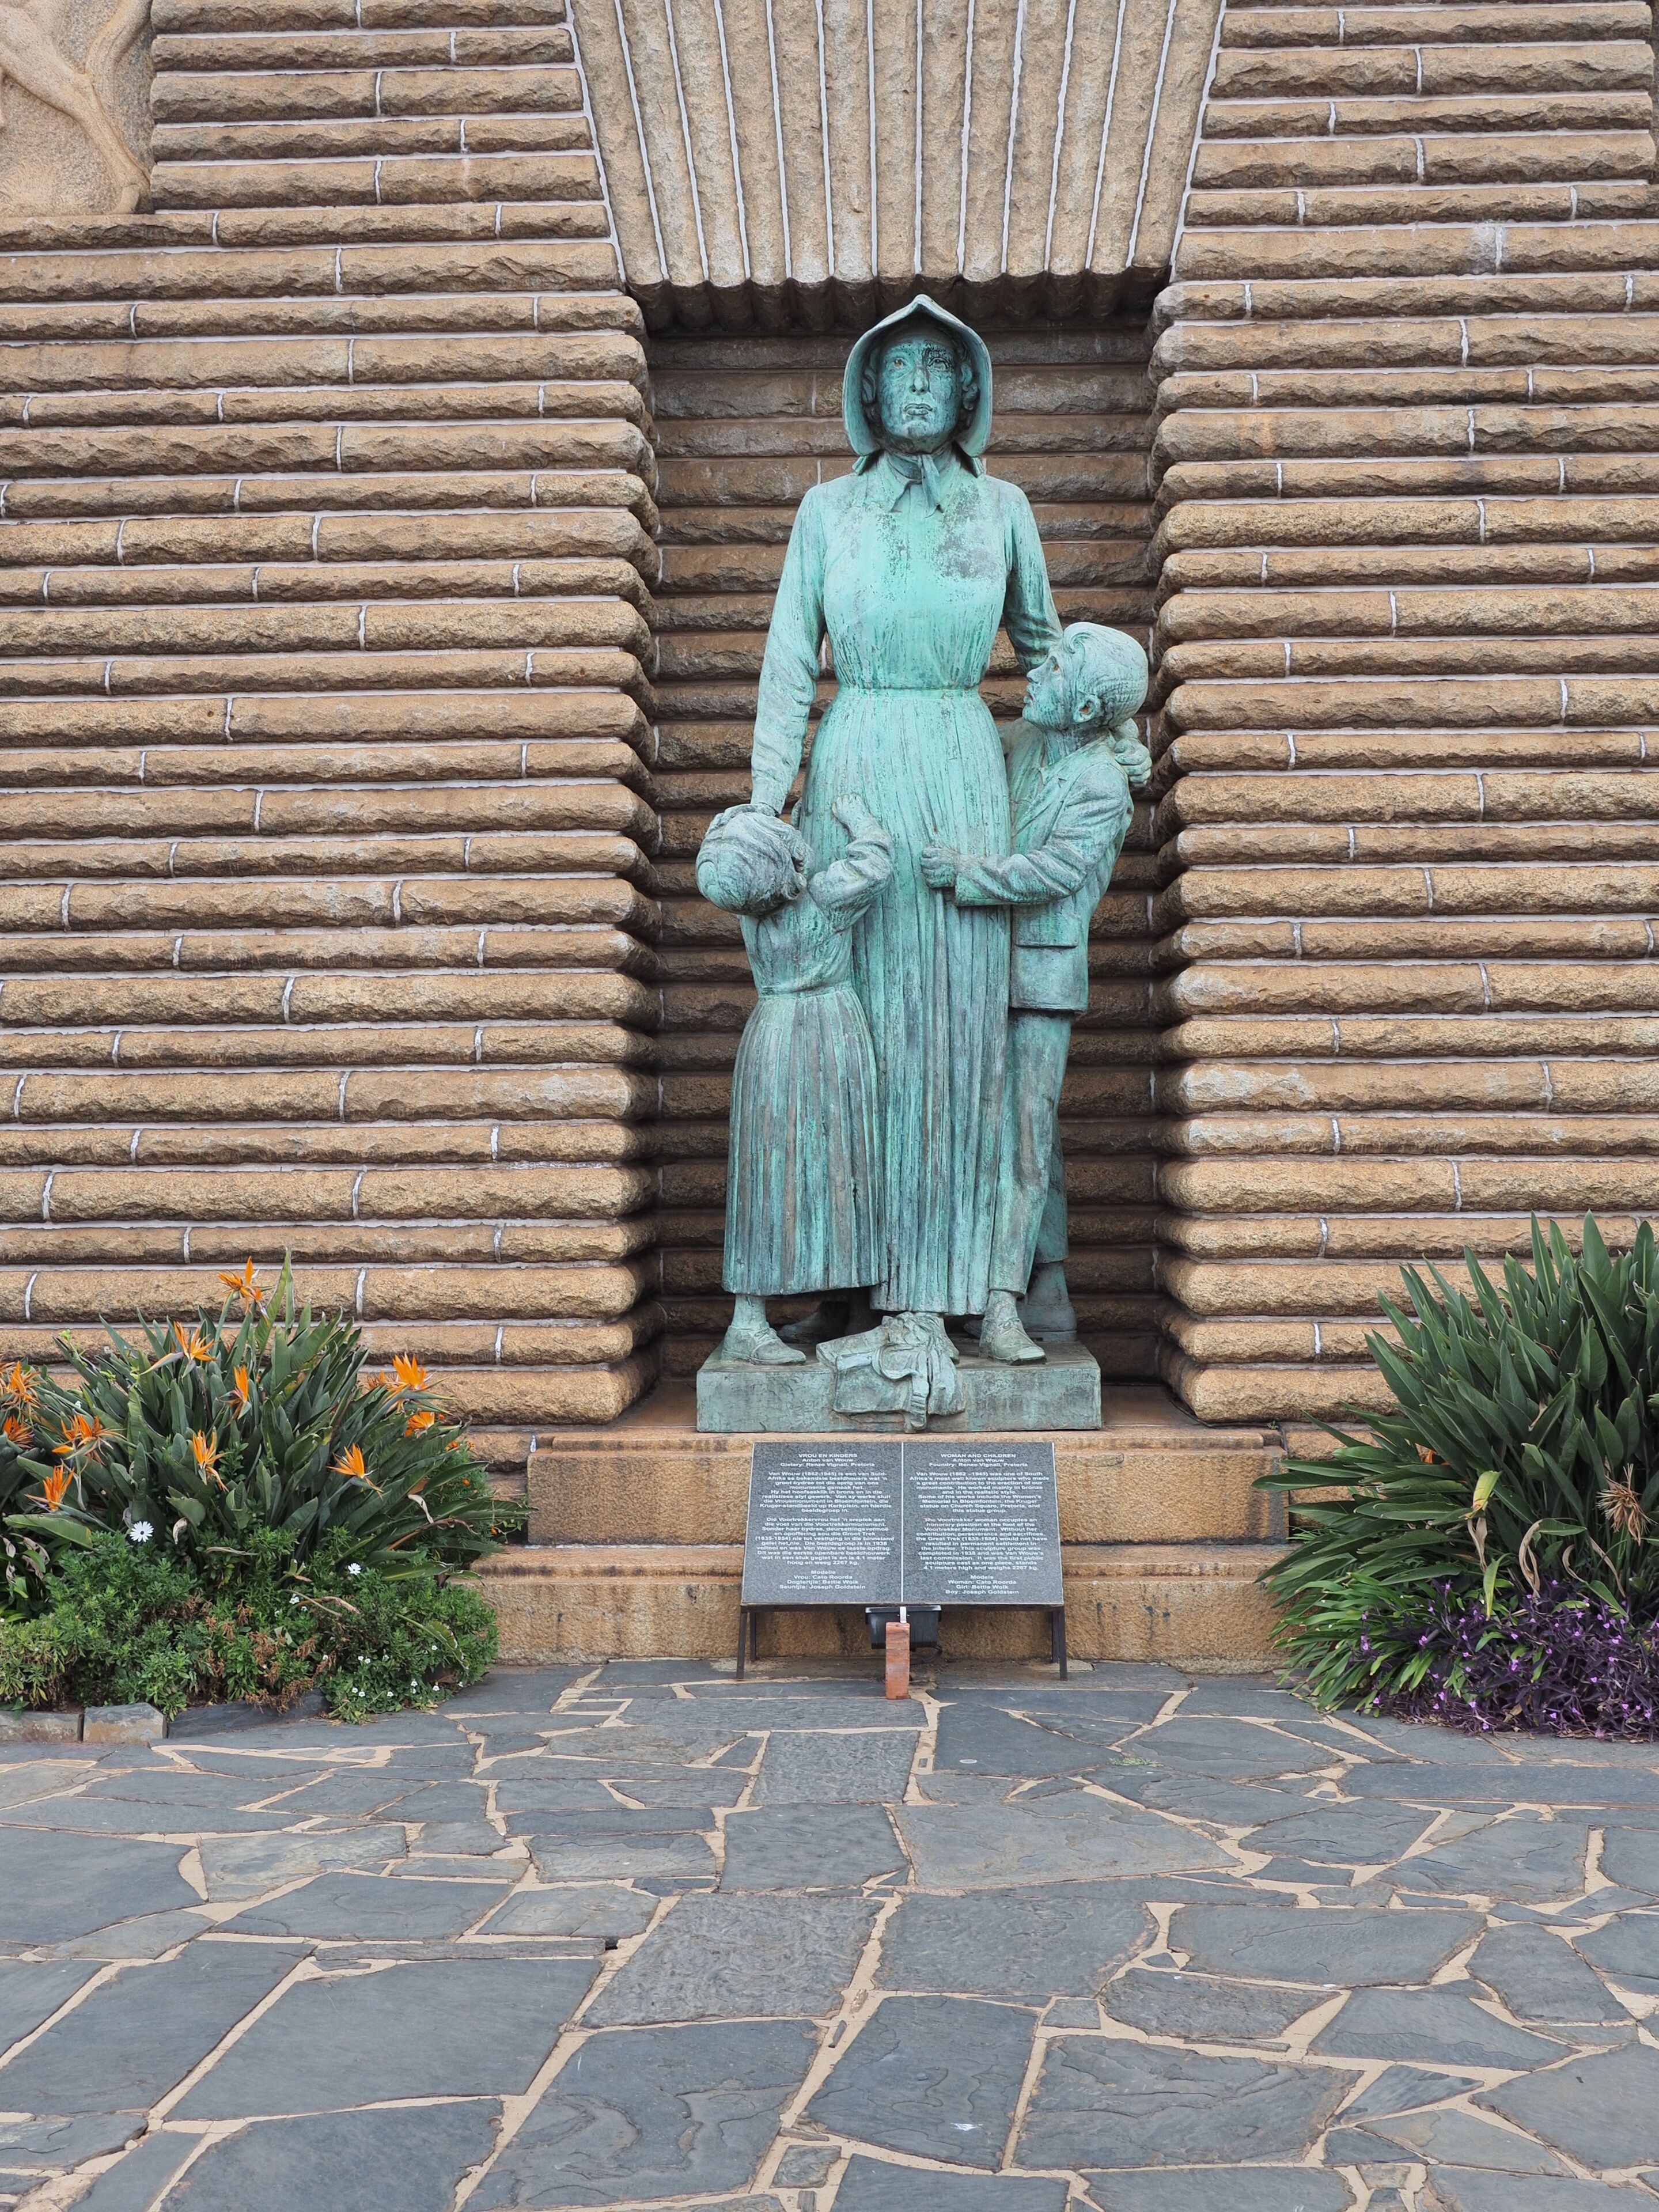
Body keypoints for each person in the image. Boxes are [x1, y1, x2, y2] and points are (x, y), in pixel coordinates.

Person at [745, 296, 1060, 1328]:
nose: (919, 381)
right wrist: (765, 810)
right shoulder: (825, 514)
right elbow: (792, 660)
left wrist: (1094, 763)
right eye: (899, 365)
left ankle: (956, 1289)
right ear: (868, 391)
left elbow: (1050, 661)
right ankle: (850, 1288)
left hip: (964, 773)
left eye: (938, 364)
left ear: (967, 388)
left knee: (960, 1039)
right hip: (857, 772)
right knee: (860, 1040)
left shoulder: (1003, 510)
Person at [922, 623, 1152, 1363]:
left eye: (1057, 667)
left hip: (1041, 979)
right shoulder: (1024, 739)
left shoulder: (1100, 786)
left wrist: (966, 872)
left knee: (1022, 1143)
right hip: (980, 964)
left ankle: (1002, 1306)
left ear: (1086, 711)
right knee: (1016, 1137)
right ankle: (1029, 1285)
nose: (1036, 671)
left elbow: (1054, 872)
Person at [696, 797, 893, 1365]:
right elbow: (878, 860)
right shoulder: (824, 897)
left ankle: (849, 1304)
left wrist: (755, 816)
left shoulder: (749, 902)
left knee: (809, 1175)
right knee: (817, 1174)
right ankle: (749, 1323)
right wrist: (854, 813)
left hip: (774, 1035)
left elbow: (728, 835)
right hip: (826, 1032)